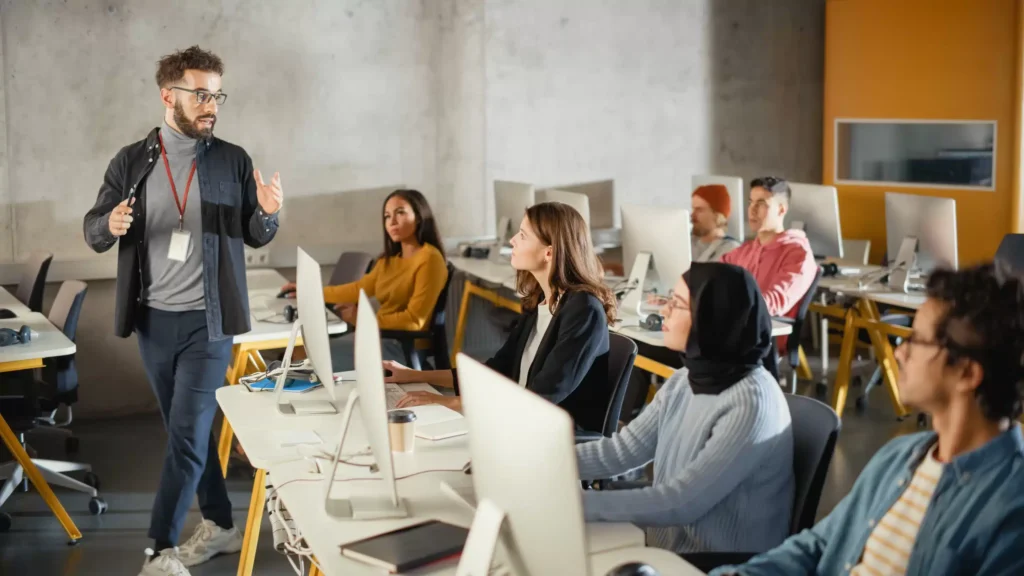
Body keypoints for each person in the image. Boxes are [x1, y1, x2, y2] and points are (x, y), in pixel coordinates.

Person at [83, 47, 282, 576]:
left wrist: (268, 214)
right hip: (153, 321)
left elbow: (253, 232)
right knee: (185, 434)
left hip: (208, 322)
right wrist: (111, 226)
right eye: (200, 93)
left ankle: (159, 550)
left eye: (216, 93)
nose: (210, 104)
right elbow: (93, 228)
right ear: (168, 95)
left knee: (190, 436)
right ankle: (219, 523)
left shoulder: (232, 159)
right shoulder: (130, 161)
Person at [713, 263, 1024, 576]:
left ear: (968, 373)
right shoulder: (899, 456)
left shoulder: (1011, 507)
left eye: (916, 340)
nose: (900, 353)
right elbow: (819, 545)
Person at [576, 263, 793, 562]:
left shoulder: (751, 403)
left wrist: (573, 503)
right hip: (668, 549)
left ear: (712, 318)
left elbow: (679, 502)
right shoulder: (686, 379)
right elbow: (622, 452)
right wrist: (547, 465)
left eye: (676, 305)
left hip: (719, 564)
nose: (664, 312)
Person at [388, 202, 616, 433]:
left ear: (549, 252)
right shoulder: (540, 301)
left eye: (523, 236)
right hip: (518, 422)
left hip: (554, 439)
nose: (512, 240)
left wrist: (447, 402)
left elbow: (543, 397)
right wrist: (413, 375)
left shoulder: (584, 310)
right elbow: (498, 370)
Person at [280, 189, 447, 370]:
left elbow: (415, 320)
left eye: (400, 213)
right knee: (296, 352)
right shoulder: (389, 260)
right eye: (387, 216)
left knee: (300, 357)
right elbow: (358, 288)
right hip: (378, 336)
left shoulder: (430, 259)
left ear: (419, 216)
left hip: (403, 347)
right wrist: (310, 292)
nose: (392, 222)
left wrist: (362, 320)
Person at [721, 177, 817, 320]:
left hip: (766, 336)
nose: (752, 210)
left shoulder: (797, 253)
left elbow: (775, 301)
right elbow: (714, 278)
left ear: (781, 209)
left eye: (761, 204)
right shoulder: (744, 251)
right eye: (750, 202)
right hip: (735, 328)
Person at [691, 184, 741, 262]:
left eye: (699, 210)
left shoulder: (732, 251)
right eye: (693, 209)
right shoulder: (688, 243)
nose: (692, 215)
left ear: (717, 216)